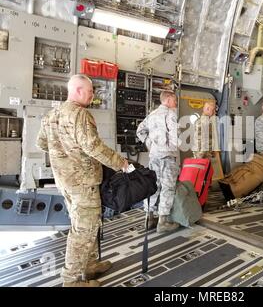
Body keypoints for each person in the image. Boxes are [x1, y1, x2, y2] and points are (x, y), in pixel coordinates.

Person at [36, 74, 129, 287]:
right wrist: (120, 163)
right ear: (78, 91)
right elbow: (92, 147)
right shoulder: (79, 114)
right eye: (90, 91)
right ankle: (71, 281)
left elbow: (41, 143)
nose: (93, 95)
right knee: (83, 229)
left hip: (65, 182)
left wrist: (63, 155)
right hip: (83, 183)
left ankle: (89, 265)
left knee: (85, 224)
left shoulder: (50, 115)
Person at [136, 90, 180, 233]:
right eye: (174, 100)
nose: (175, 103)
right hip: (167, 157)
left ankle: (148, 218)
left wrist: (151, 144)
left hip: (154, 156)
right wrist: (173, 147)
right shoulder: (170, 114)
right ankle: (163, 221)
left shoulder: (152, 115)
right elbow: (175, 137)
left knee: (153, 186)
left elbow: (140, 131)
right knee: (168, 187)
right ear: (168, 100)